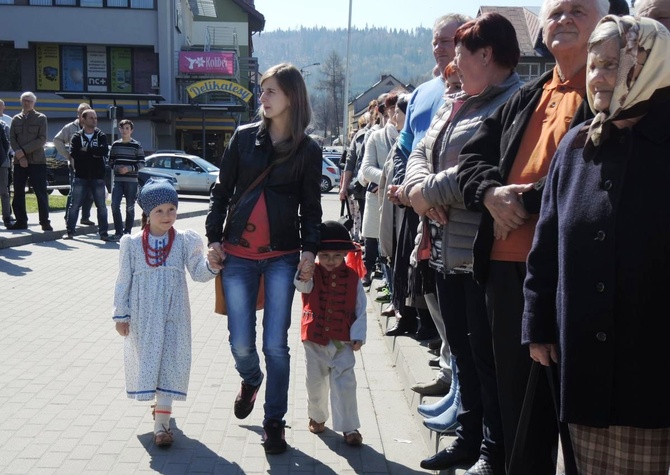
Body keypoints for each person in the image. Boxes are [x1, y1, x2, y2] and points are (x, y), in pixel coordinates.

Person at [456, 0, 608, 473]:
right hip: (504, 269)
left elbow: (592, 171)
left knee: (571, 414)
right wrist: (490, 192)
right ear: (540, 27)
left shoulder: (612, 88)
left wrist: (521, 201)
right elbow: (472, 160)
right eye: (555, 11)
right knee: (517, 407)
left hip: (569, 272)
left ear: (603, 22)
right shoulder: (532, 92)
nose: (562, 18)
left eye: (577, 10)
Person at [523, 15, 670, 474]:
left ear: (651, 66)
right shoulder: (575, 147)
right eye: (593, 65)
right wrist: (538, 324)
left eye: (613, 63)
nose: (598, 77)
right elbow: (545, 249)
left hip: (651, 368)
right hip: (582, 363)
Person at [404, 13, 524, 474]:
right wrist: (419, 191)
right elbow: (420, 150)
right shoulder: (456, 100)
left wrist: (424, 193)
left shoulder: (514, 101)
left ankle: (493, 451)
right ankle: (467, 439)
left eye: (460, 52)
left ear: (486, 55)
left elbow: (484, 168)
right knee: (464, 356)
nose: (452, 63)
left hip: (480, 255)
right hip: (443, 251)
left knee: (486, 360)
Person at [205, 63, 322, 455]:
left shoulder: (308, 149)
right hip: (237, 254)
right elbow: (221, 191)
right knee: (241, 343)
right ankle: (250, 379)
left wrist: (309, 251)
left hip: (282, 257)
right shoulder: (242, 139)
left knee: (276, 344)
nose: (263, 98)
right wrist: (213, 239)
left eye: (271, 91)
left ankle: (275, 422)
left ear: (292, 96)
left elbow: (311, 207)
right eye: (262, 90)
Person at [385, 13, 470, 351]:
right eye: (435, 41)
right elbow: (406, 147)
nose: (439, 47)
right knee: (427, 289)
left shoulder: (475, 89)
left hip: (452, 209)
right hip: (417, 205)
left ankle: (457, 382)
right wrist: (405, 186)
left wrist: (429, 193)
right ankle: (452, 379)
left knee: (457, 308)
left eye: (446, 40)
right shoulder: (421, 92)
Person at [112, 178, 218, 448]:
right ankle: (160, 410)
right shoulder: (132, 244)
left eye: (171, 209)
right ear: (147, 213)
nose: (167, 216)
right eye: (159, 210)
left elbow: (198, 272)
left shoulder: (184, 241)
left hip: (175, 314)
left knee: (171, 360)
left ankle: (162, 425)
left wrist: (213, 266)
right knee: (151, 361)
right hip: (144, 315)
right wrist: (121, 315)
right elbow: (123, 280)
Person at [294, 220, 367, 447]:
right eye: (325, 255)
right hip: (314, 339)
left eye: (337, 256)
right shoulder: (311, 273)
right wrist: (303, 270)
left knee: (345, 384)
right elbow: (301, 287)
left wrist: (358, 335)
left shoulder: (354, 278)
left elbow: (360, 309)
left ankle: (349, 427)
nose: (331, 261)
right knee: (315, 383)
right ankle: (317, 416)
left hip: (342, 341)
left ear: (345, 254)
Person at [63, 109, 112, 241]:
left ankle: (103, 233)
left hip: (98, 177)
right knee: (75, 205)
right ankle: (70, 232)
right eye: (91, 118)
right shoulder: (77, 136)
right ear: (83, 120)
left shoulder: (100, 135)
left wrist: (87, 150)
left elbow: (103, 151)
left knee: (101, 206)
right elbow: (74, 154)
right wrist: (92, 154)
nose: (94, 120)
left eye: (95, 118)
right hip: (81, 176)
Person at [8, 91, 51, 231]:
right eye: (24, 100)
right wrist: (20, 157)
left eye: (29, 101)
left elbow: (42, 139)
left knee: (41, 192)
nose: (26, 103)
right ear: (21, 101)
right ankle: (21, 221)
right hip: (19, 162)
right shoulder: (16, 119)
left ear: (34, 103)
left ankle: (44, 221)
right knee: (18, 192)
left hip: (37, 162)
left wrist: (23, 152)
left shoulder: (40, 118)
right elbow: (12, 139)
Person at [54, 102, 95, 226]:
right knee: (74, 192)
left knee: (89, 192)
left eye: (86, 113)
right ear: (78, 115)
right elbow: (57, 140)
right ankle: (69, 217)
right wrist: (67, 155)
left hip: (91, 166)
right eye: (81, 113)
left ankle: (85, 217)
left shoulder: (94, 128)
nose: (83, 115)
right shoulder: (70, 128)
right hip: (75, 165)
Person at [109, 119, 145, 239]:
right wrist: (117, 167)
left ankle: (127, 232)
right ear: (119, 129)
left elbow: (142, 163)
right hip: (118, 180)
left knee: (130, 206)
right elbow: (110, 162)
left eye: (127, 128)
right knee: (114, 205)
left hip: (131, 181)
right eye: (122, 128)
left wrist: (129, 168)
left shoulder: (136, 145)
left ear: (131, 130)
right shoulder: (115, 145)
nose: (124, 131)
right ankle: (118, 231)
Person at [0, 119, 13, 227]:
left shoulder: (1, 125)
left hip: (1, 162)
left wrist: (4, 156)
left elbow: (6, 143)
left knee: (4, 192)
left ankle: (7, 218)